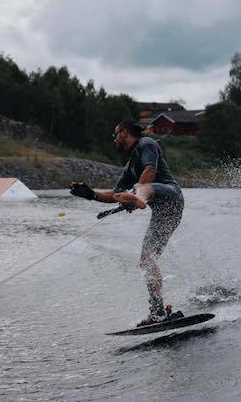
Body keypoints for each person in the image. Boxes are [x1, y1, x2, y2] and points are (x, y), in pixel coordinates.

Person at [70, 119, 184, 326]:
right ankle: (158, 311)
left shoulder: (146, 144)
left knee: (142, 188)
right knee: (146, 260)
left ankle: (137, 198)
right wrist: (90, 195)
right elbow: (113, 195)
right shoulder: (129, 167)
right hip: (162, 214)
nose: (114, 140)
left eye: (115, 135)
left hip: (171, 197)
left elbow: (150, 171)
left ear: (123, 132)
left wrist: (134, 194)